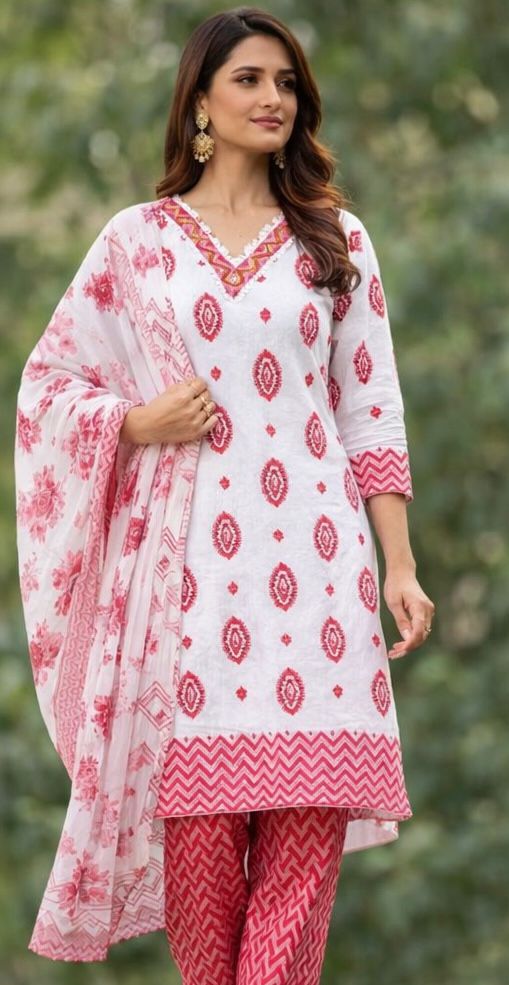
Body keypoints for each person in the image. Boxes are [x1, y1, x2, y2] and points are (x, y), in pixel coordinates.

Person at [14, 5, 435, 981]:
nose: (272, 98)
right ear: (199, 100)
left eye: (285, 83)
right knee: (205, 929)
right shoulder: (137, 243)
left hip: (320, 597)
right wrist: (132, 421)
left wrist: (399, 566)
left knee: (288, 929)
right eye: (248, 78)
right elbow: (46, 388)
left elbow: (370, 408)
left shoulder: (334, 240)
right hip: (189, 609)